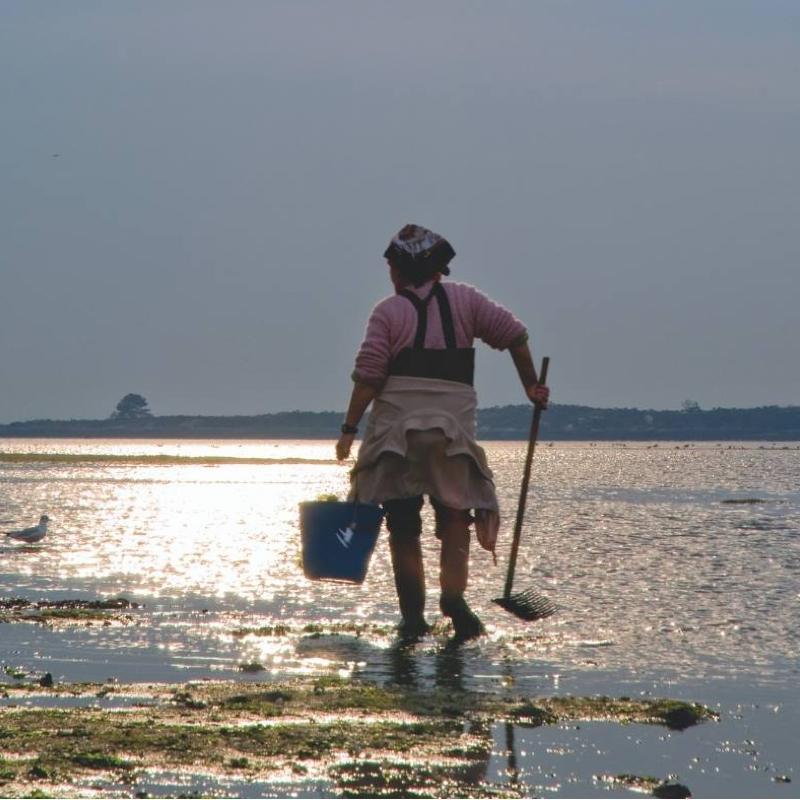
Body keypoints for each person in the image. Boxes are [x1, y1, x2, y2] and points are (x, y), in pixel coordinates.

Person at [336, 224, 549, 640]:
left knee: (402, 524)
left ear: (404, 269)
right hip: (453, 436)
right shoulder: (466, 300)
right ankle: (453, 600)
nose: (390, 274)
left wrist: (348, 428)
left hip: (398, 437)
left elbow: (369, 377)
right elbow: (516, 336)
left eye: (392, 266)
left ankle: (413, 618)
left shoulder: (388, 313)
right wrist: (529, 387)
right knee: (455, 517)